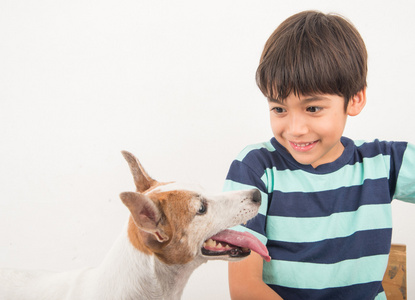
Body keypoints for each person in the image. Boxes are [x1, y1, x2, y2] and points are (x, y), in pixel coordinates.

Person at [223, 10, 415, 300]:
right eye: (279, 109)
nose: (295, 129)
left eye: (312, 108)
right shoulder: (255, 169)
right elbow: (245, 289)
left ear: (355, 99)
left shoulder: (384, 163)